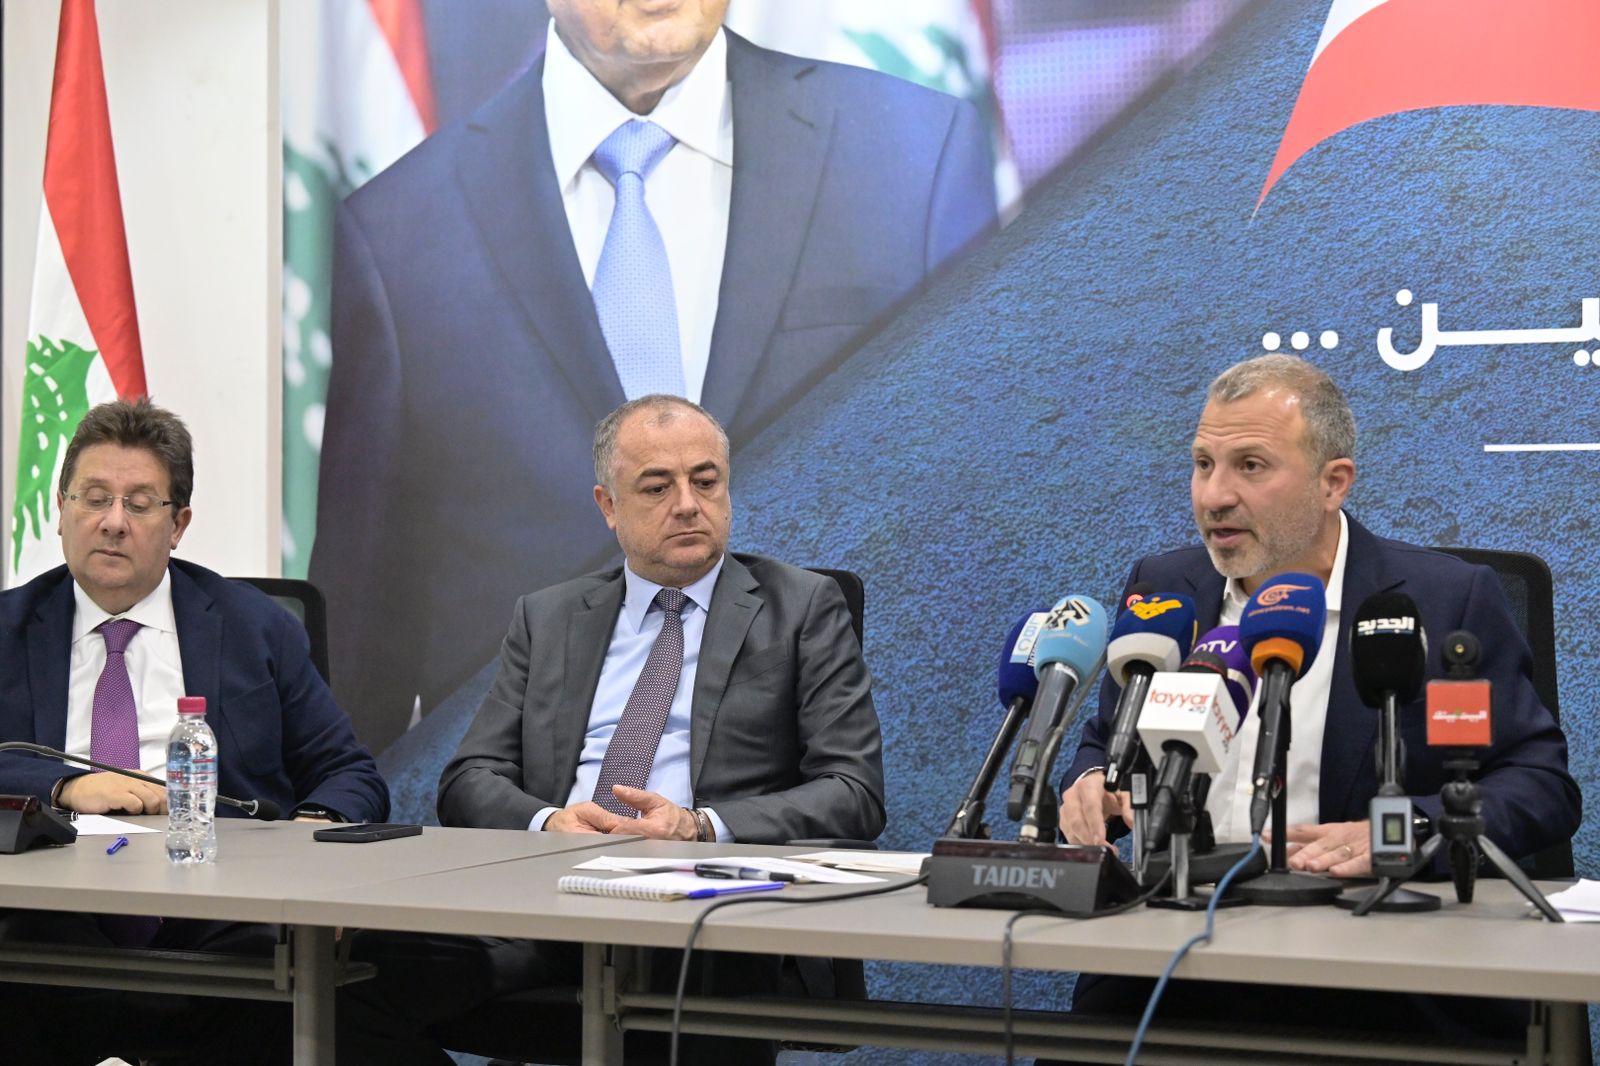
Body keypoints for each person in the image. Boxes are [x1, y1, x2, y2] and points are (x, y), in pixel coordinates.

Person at [311, 0, 998, 751]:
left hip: (841, 780)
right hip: (529, 802)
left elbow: (983, 505)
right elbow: (363, 630)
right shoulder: (399, 230)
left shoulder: (917, 152)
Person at [338, 394, 885, 1063]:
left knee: (676, 999)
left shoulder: (800, 607)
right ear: (608, 506)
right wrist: (550, 823)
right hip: (554, 896)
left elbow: (853, 791)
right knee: (352, 981)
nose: (687, 504)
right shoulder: (550, 617)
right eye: (657, 487)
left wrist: (698, 826)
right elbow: (469, 779)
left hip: (705, 905)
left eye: (706, 481)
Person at [1056, 354, 1580, 1035]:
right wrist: (1091, 783)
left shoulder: (1441, 602)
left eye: (1250, 466)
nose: (1213, 496)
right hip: (1167, 961)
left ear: (1334, 483)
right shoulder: (1164, 591)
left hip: (1372, 973)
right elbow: (1107, 741)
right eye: (1203, 464)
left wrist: (1402, 833)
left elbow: (1537, 785)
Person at [0, 398, 388, 1066]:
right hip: (52, 924)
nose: (113, 522)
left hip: (223, 922)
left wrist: (314, 835)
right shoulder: (9, 628)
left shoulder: (256, 627)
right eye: (94, 498)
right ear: (61, 510)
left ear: (178, 524)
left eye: (140, 503)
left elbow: (349, 774)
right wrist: (64, 786)